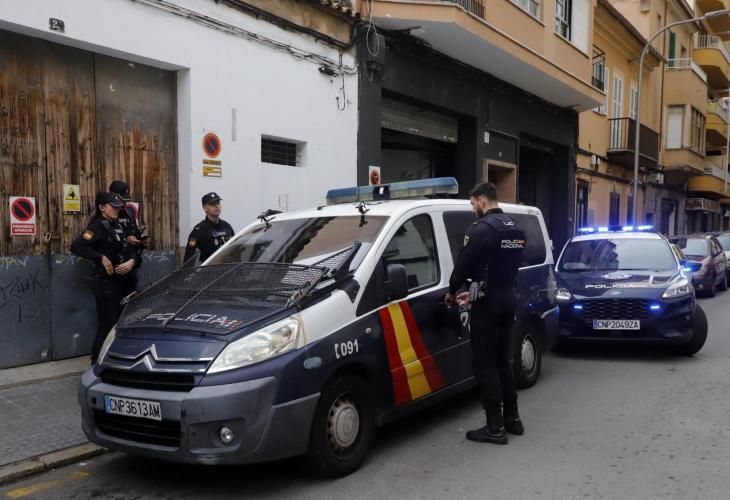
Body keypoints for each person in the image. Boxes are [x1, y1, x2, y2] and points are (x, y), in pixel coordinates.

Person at [445, 182, 526, 445]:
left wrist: (452, 290)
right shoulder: (515, 227)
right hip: (509, 298)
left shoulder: (481, 230)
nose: (473, 209)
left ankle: (494, 427)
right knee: (503, 360)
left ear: (482, 200)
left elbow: (463, 265)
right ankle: (513, 419)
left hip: (488, 304)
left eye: (472, 204)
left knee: (484, 363)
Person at [70, 192, 137, 363]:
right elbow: (76, 246)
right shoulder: (97, 226)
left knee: (121, 324)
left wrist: (131, 261)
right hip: (107, 284)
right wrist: (100, 257)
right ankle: (96, 363)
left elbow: (130, 249)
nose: (116, 209)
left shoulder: (118, 225)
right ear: (101, 207)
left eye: (118, 207)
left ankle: (116, 360)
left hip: (124, 283)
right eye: (112, 207)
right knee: (108, 324)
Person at [109, 180, 148, 288]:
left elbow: (136, 235)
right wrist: (125, 240)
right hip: (113, 270)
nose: (124, 203)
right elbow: (104, 241)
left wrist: (141, 242)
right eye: (122, 199)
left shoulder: (129, 214)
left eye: (125, 200)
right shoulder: (106, 216)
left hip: (131, 267)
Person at [183, 192, 235, 265]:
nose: (216, 206)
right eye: (212, 204)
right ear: (205, 208)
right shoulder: (199, 230)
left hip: (229, 269)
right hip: (209, 270)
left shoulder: (227, 226)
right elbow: (189, 257)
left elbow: (235, 250)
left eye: (218, 203)